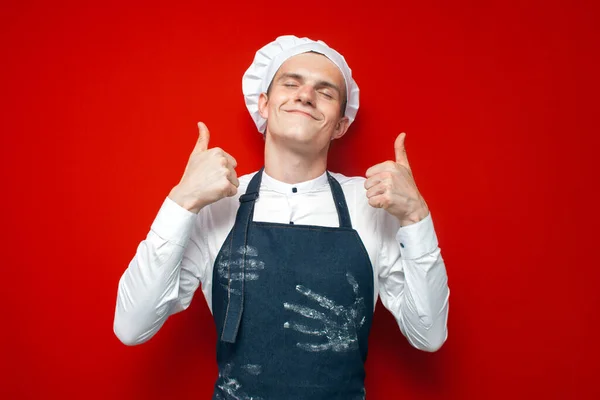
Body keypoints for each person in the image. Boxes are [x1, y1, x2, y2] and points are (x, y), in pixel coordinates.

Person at [114, 35, 450, 399]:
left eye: (325, 91)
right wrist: (181, 201)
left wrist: (417, 217)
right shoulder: (216, 203)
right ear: (263, 103)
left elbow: (428, 335)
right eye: (291, 83)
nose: (305, 95)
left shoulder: (370, 204)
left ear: (340, 124)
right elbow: (132, 326)